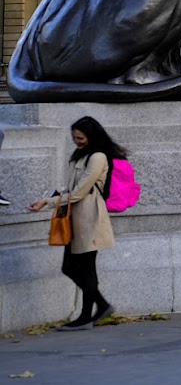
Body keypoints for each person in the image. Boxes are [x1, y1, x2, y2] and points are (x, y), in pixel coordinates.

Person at [27, 116, 123, 330]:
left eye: (80, 137)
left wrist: (47, 202)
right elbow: (73, 188)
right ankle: (102, 305)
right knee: (69, 267)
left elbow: (80, 192)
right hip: (76, 219)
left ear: (91, 136)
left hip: (90, 219)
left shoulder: (97, 157)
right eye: (74, 138)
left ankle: (86, 317)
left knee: (87, 268)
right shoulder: (83, 155)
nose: (77, 141)